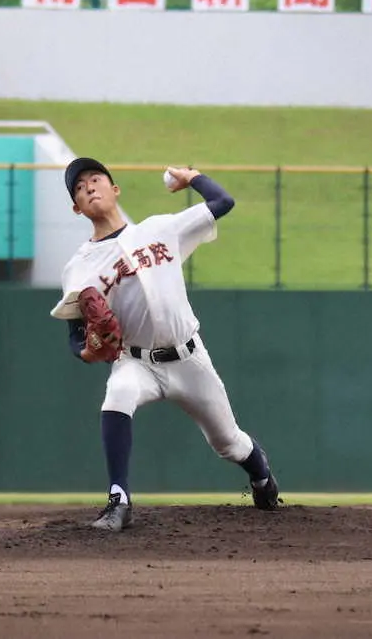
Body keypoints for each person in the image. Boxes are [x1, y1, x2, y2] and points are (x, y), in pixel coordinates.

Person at [49, 157, 281, 532]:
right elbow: (76, 336)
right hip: (136, 362)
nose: (89, 187)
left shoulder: (160, 229)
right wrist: (88, 351)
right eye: (79, 187)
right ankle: (118, 501)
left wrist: (192, 178)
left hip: (189, 358)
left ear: (115, 189)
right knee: (117, 395)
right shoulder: (78, 267)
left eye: (96, 179)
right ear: (77, 207)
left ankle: (261, 474)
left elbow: (223, 203)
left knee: (229, 442)